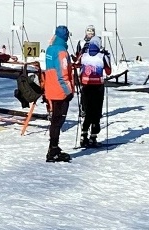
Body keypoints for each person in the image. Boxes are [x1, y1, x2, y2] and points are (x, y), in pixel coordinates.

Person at [43, 24, 74, 161]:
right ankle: (53, 150)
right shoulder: (62, 52)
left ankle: (53, 147)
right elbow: (63, 73)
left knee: (55, 120)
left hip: (51, 88)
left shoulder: (50, 49)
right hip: (60, 91)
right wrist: (69, 91)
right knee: (58, 120)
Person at [76, 35, 111, 147]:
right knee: (96, 112)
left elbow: (77, 64)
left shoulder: (84, 55)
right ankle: (93, 137)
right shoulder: (102, 56)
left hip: (86, 86)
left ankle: (83, 135)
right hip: (98, 86)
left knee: (87, 111)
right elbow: (109, 71)